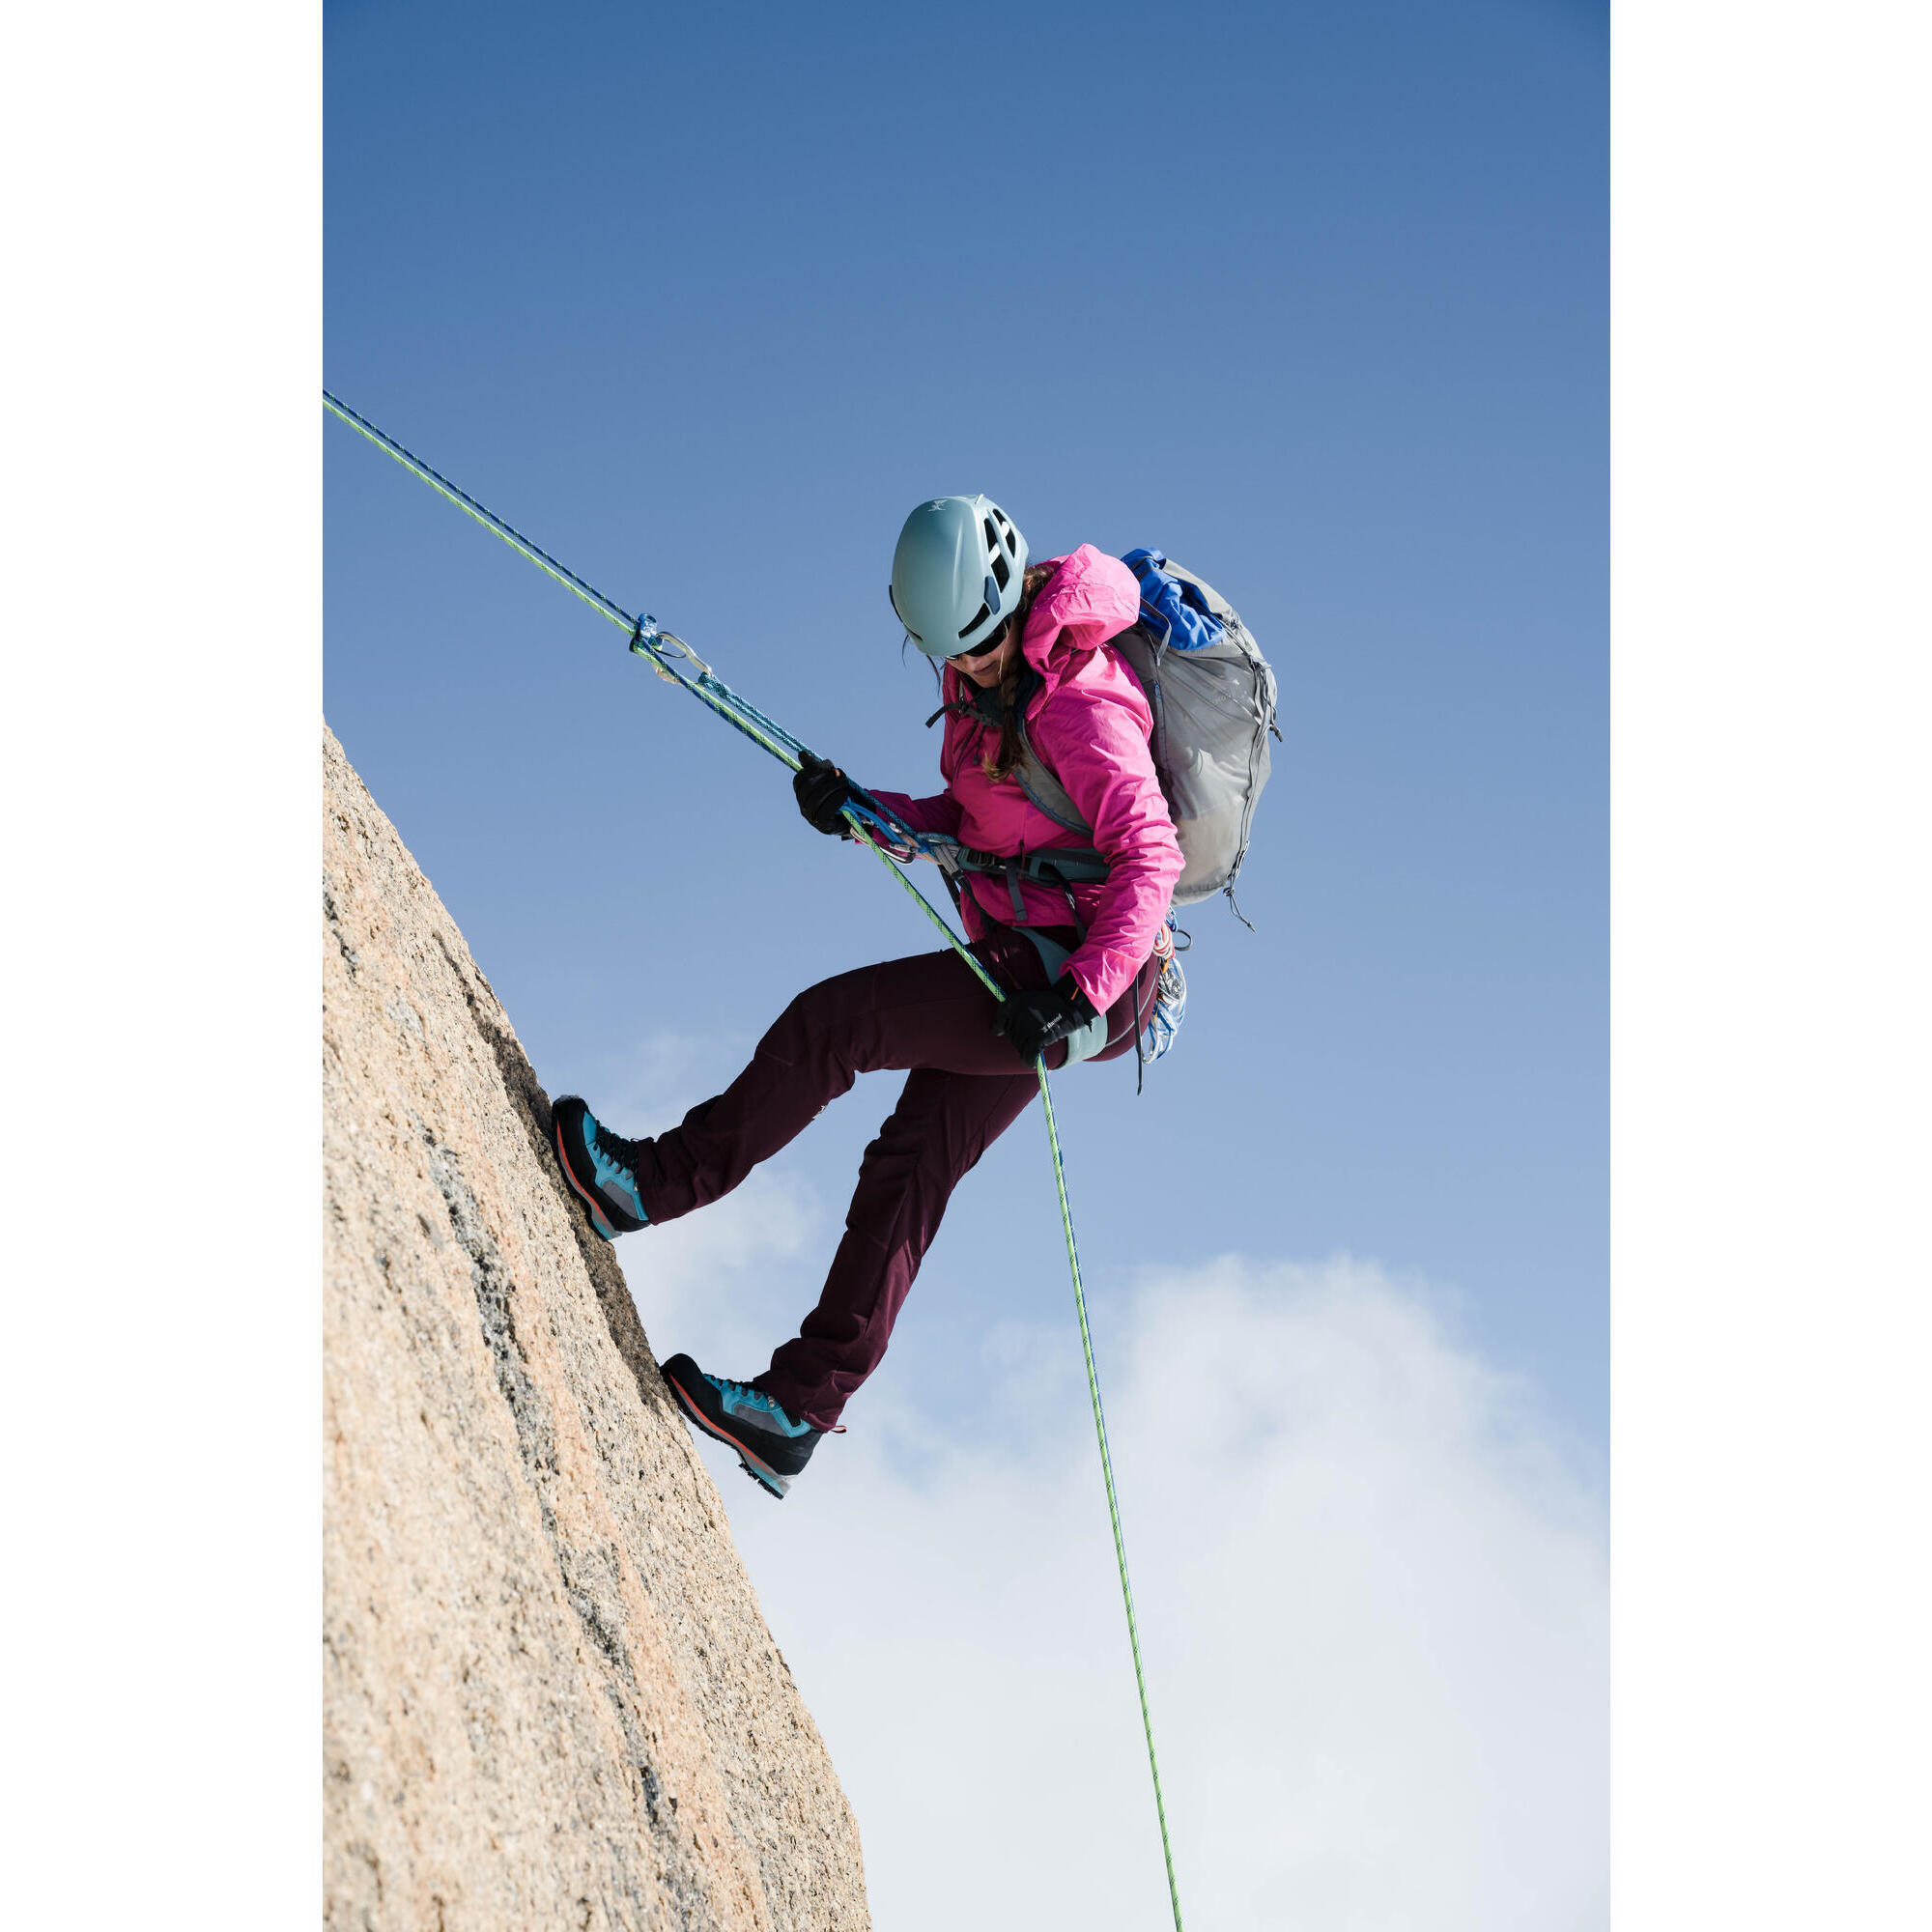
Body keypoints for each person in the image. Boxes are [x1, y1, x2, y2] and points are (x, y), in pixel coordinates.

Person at [551, 496, 1182, 1497]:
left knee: (833, 1024)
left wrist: (1073, 997)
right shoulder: (980, 669)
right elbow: (972, 815)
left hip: (1081, 976)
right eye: (951, 655)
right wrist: (864, 811)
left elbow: (1150, 856)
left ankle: (646, 1185)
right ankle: (796, 1412)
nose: (968, 669)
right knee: (910, 1163)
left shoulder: (1081, 700)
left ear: (1009, 598)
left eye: (981, 649)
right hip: (1038, 958)